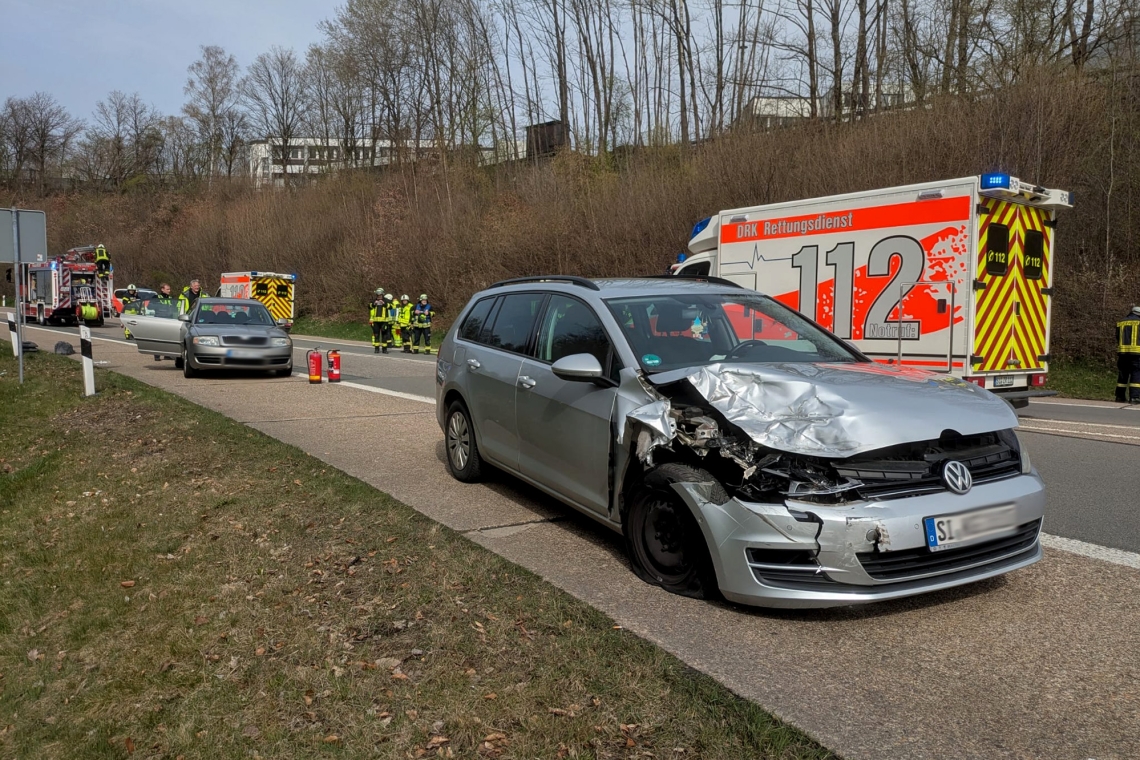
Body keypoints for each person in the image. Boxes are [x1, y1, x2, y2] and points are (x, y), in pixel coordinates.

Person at [1116, 305, 1140, 404]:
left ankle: (1119, 396)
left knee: (1122, 375)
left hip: (1123, 353)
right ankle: (1134, 397)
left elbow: (1117, 337)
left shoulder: (1121, 322)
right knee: (1136, 373)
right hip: (1137, 353)